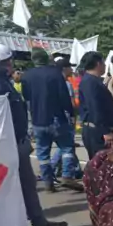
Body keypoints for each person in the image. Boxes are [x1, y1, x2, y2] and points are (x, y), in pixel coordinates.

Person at [0, 44, 67, 226]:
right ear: (0, 63)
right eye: (8, 61)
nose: (11, 65)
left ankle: (40, 224)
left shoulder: (1, 81)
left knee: (27, 185)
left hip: (15, 141)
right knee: (8, 190)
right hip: (4, 144)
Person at [23, 49, 80, 192]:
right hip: (57, 118)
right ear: (46, 58)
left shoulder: (26, 76)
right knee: (67, 147)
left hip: (38, 120)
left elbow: (27, 97)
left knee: (43, 154)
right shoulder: (55, 73)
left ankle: (48, 182)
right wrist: (71, 113)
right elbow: (64, 96)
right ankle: (67, 175)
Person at [78, 51, 113, 159]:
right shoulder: (90, 82)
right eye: (103, 62)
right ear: (98, 64)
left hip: (98, 129)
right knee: (101, 164)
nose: (105, 65)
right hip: (97, 131)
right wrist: (105, 131)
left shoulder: (93, 81)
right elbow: (95, 108)